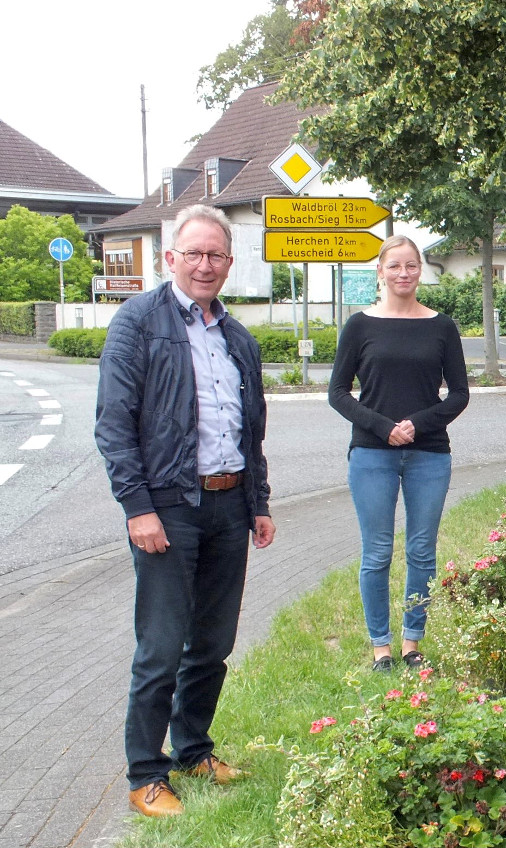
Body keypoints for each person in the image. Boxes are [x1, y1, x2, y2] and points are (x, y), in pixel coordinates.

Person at [95, 204, 275, 817]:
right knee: (162, 645)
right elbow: (114, 426)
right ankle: (146, 773)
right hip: (167, 510)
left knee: (213, 642)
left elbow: (251, 432)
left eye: (215, 255)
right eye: (193, 253)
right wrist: (137, 507)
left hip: (229, 506)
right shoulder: (138, 322)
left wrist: (260, 504)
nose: (205, 264)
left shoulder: (237, 337)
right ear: (170, 257)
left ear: (229, 262)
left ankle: (193, 748)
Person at [329, 235, 469, 673]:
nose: (403, 274)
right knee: (376, 554)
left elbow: (460, 394)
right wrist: (384, 427)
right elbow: (337, 393)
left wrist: (417, 424)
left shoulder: (441, 326)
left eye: (411, 266)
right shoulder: (359, 325)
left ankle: (412, 643)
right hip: (372, 453)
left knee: (422, 551)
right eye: (394, 266)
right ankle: (380, 648)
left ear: (420, 271)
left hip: (429, 453)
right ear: (380, 272)